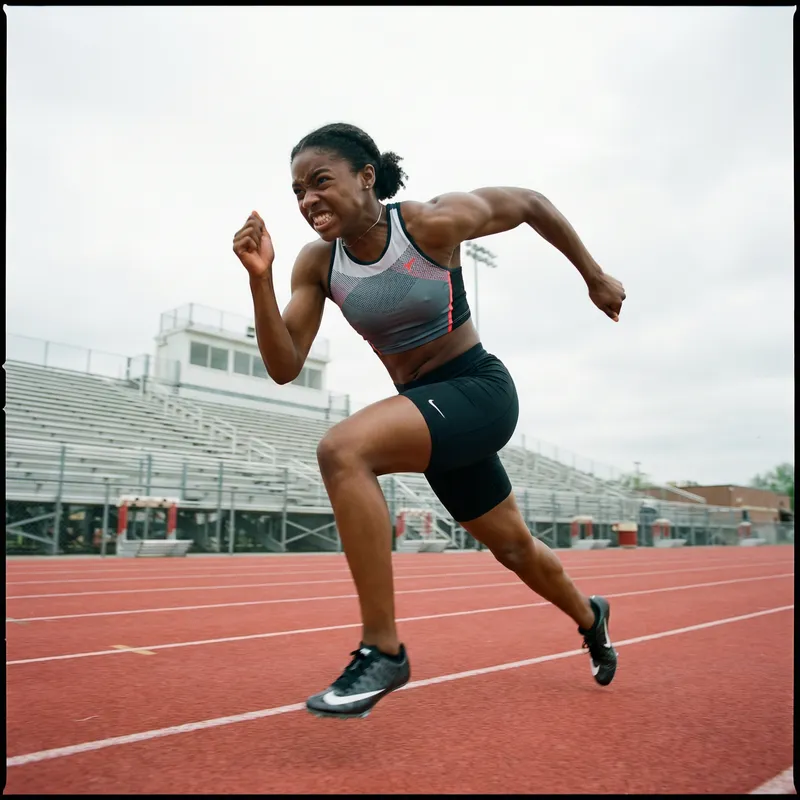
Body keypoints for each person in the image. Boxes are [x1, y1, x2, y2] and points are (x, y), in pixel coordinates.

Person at [232, 122, 626, 719]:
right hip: (433, 415)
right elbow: (285, 365)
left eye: (320, 182)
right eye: (297, 192)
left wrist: (593, 274)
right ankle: (590, 617)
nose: (308, 200)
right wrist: (260, 279)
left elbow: (530, 204)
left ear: (366, 178)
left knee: (343, 451)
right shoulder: (317, 264)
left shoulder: (427, 224)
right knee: (517, 549)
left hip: (476, 390)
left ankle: (383, 650)